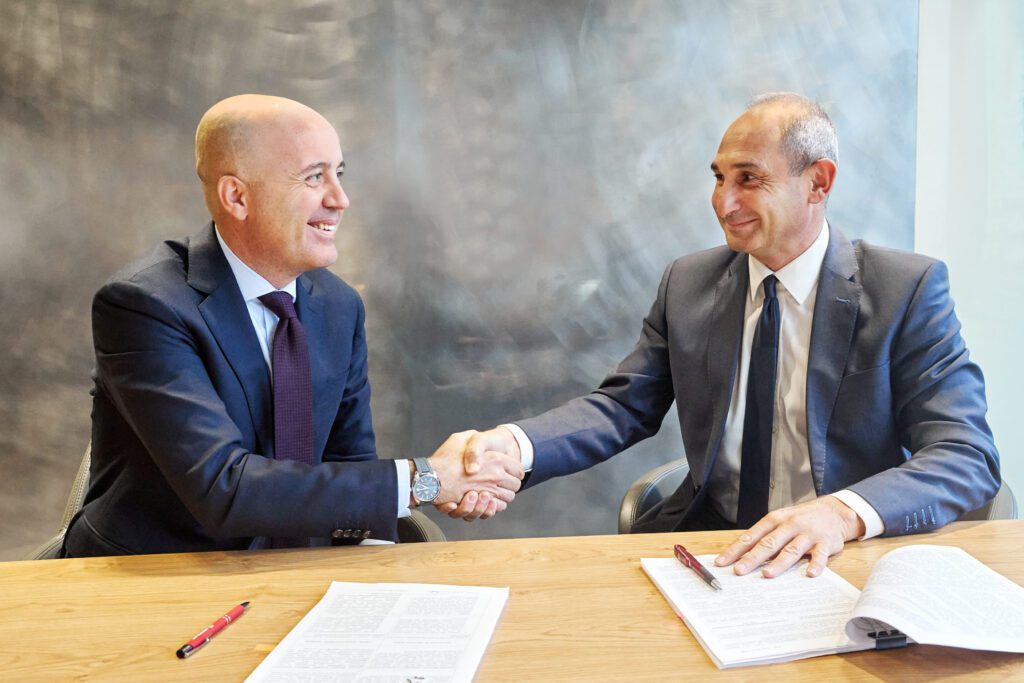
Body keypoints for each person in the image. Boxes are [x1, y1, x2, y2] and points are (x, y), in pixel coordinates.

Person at [440, 92, 1000, 579]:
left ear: (818, 182)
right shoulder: (688, 282)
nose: (723, 202)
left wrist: (841, 511)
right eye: (719, 177)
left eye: (749, 179)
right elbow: (621, 408)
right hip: (713, 548)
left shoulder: (907, 289)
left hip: (847, 555)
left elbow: (965, 455)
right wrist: (511, 446)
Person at [62, 94, 522, 557]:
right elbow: (224, 488)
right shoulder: (144, 305)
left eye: (339, 174)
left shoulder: (340, 306)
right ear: (237, 196)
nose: (339, 200)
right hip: (152, 580)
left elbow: (349, 461)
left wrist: (377, 567)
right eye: (314, 176)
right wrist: (427, 479)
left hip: (298, 571)